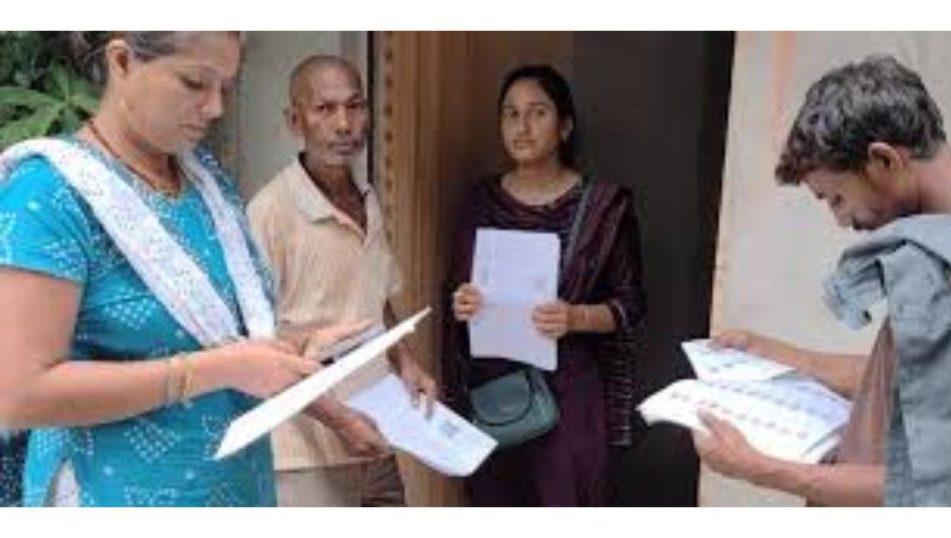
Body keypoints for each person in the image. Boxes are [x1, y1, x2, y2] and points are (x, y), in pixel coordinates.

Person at [0, 32, 375, 507]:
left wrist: (292, 354)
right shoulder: (48, 194)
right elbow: (18, 393)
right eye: (195, 82)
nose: (215, 107)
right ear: (122, 62)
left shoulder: (205, 183)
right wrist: (218, 369)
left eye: (226, 87)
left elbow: (218, 340)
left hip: (237, 490)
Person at [696, 55, 951, 506]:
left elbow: (930, 491)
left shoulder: (941, 273)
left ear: (883, 160)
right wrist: (777, 357)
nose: (841, 219)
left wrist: (762, 469)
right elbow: (920, 380)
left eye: (836, 197)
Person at [442, 64, 646, 506]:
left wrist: (576, 317)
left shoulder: (604, 207)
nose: (522, 126)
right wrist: (464, 303)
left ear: (565, 125)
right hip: (497, 392)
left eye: (537, 113)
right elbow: (458, 293)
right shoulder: (481, 201)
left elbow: (631, 306)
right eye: (510, 115)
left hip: (572, 396)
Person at [247, 55, 437, 507]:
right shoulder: (269, 213)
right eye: (325, 109)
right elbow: (255, 345)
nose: (344, 123)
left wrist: (406, 361)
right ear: (295, 120)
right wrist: (339, 421)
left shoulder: (367, 198)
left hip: (375, 431)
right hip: (304, 452)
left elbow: (373, 301)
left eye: (355, 107)